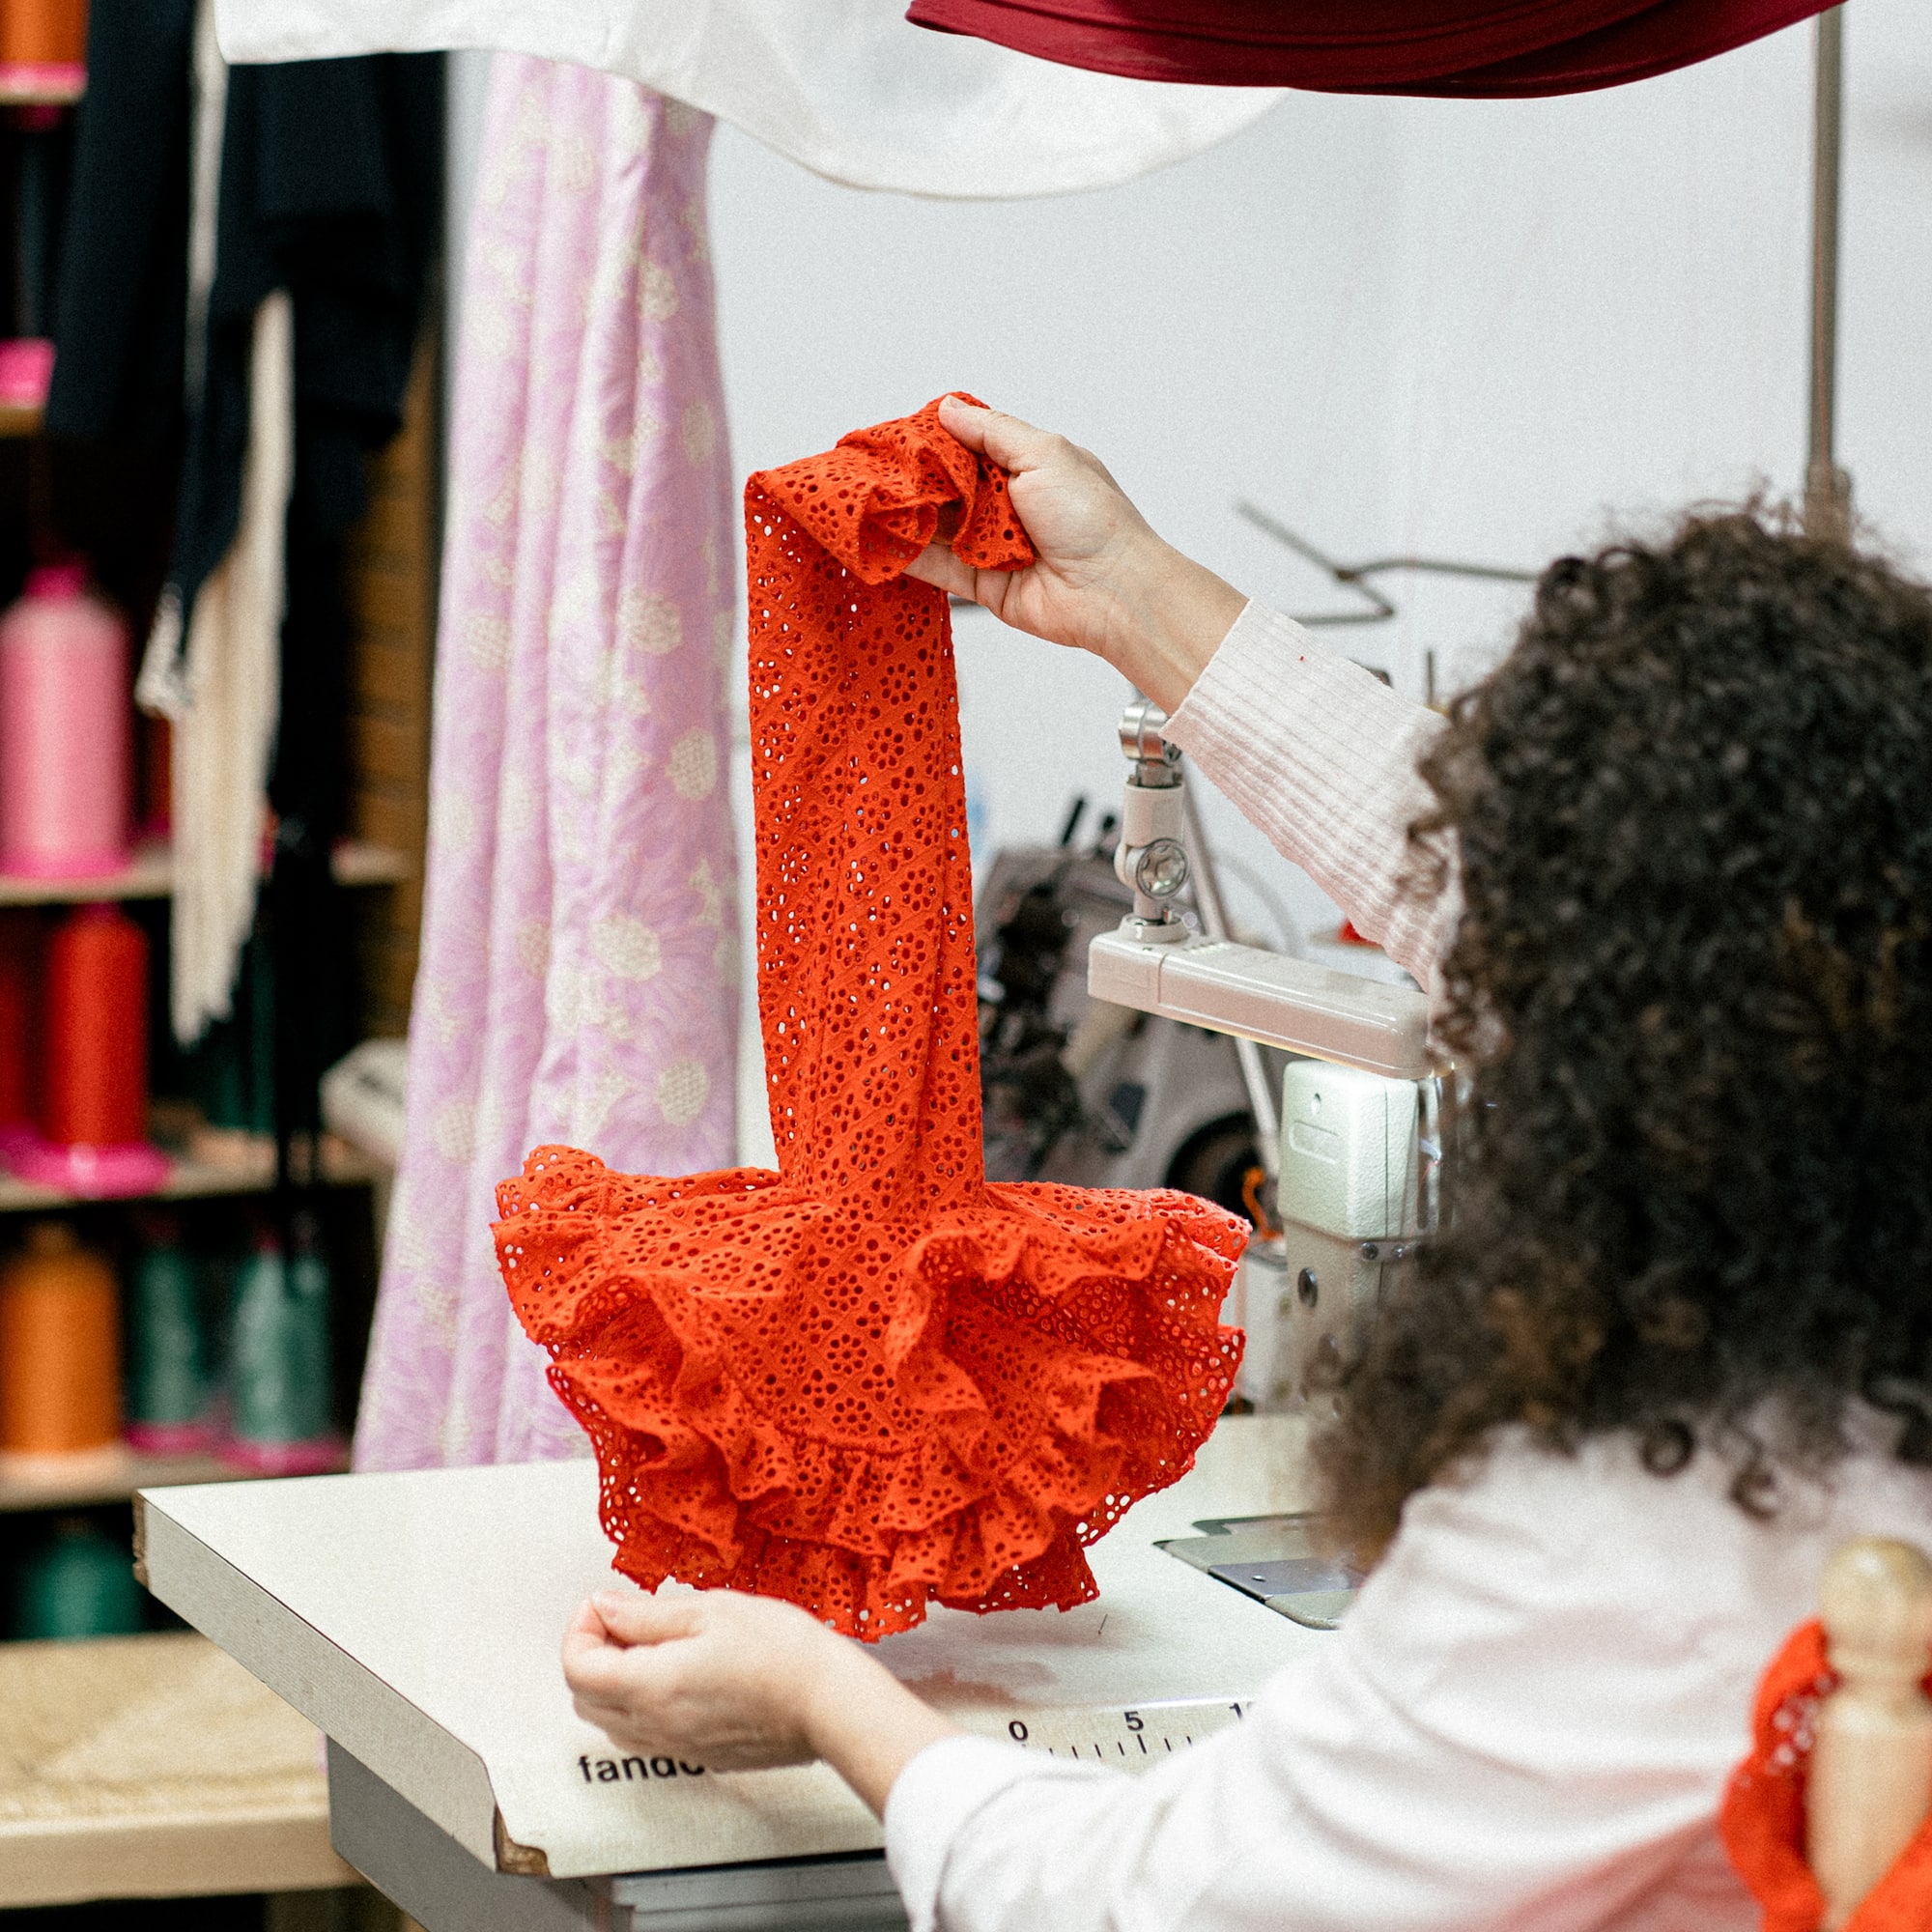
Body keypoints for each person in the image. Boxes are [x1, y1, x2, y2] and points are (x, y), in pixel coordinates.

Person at [558, 395, 1932, 1931]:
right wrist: (1127, 587)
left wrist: (821, 1698)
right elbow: (1496, 884)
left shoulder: (1611, 1556)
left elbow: (1126, 1905)